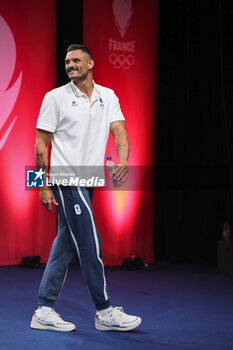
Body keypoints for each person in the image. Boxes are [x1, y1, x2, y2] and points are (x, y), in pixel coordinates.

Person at [30, 44, 142, 332]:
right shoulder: (55, 97)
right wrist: (41, 186)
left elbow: (119, 130)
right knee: (91, 243)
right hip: (66, 179)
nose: (70, 65)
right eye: (67, 62)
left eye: (77, 60)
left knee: (64, 246)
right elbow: (40, 144)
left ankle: (43, 309)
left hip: (89, 181)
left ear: (91, 63)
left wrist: (125, 159)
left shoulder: (109, 96)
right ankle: (104, 311)